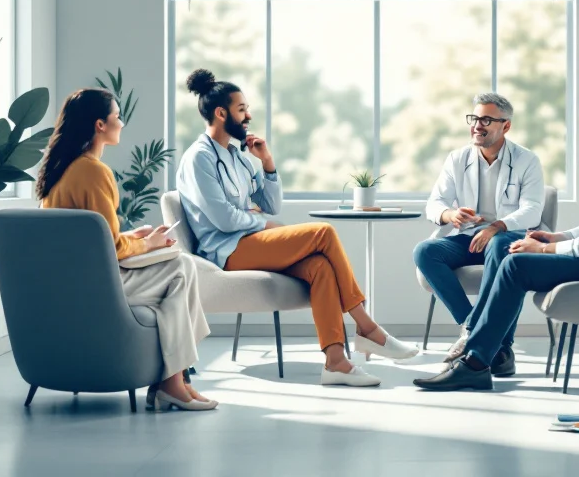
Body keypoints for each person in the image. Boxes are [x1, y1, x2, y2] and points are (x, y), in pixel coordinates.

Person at [413, 79, 579, 391]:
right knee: (510, 259)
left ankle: (474, 360)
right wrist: (557, 238)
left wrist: (541, 251)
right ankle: (482, 356)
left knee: (516, 263)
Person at [175, 68, 418, 387]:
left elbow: (271, 204)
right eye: (241, 109)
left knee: (319, 267)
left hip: (250, 242)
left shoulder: (236, 157)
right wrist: (261, 221)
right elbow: (223, 219)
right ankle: (368, 329)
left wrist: (268, 163)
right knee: (323, 233)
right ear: (221, 114)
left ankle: (335, 363)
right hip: (227, 252)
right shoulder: (199, 159)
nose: (249, 115)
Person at [38, 89, 216, 412]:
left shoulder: (61, 171)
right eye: (117, 116)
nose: (122, 122)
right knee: (182, 269)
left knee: (180, 272)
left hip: (72, 282)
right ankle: (173, 383)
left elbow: (94, 237)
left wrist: (132, 234)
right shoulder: (93, 171)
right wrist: (149, 243)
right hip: (100, 287)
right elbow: (115, 250)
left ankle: (176, 382)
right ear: (99, 125)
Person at [413, 92, 544, 377]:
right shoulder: (457, 159)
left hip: (506, 237)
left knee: (500, 246)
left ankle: (480, 336)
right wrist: (450, 215)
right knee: (425, 251)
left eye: (486, 119)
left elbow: (533, 211)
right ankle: (477, 331)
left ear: (505, 126)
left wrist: (497, 226)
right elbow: (434, 203)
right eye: (474, 118)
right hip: (469, 238)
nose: (477, 125)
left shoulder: (526, 160)